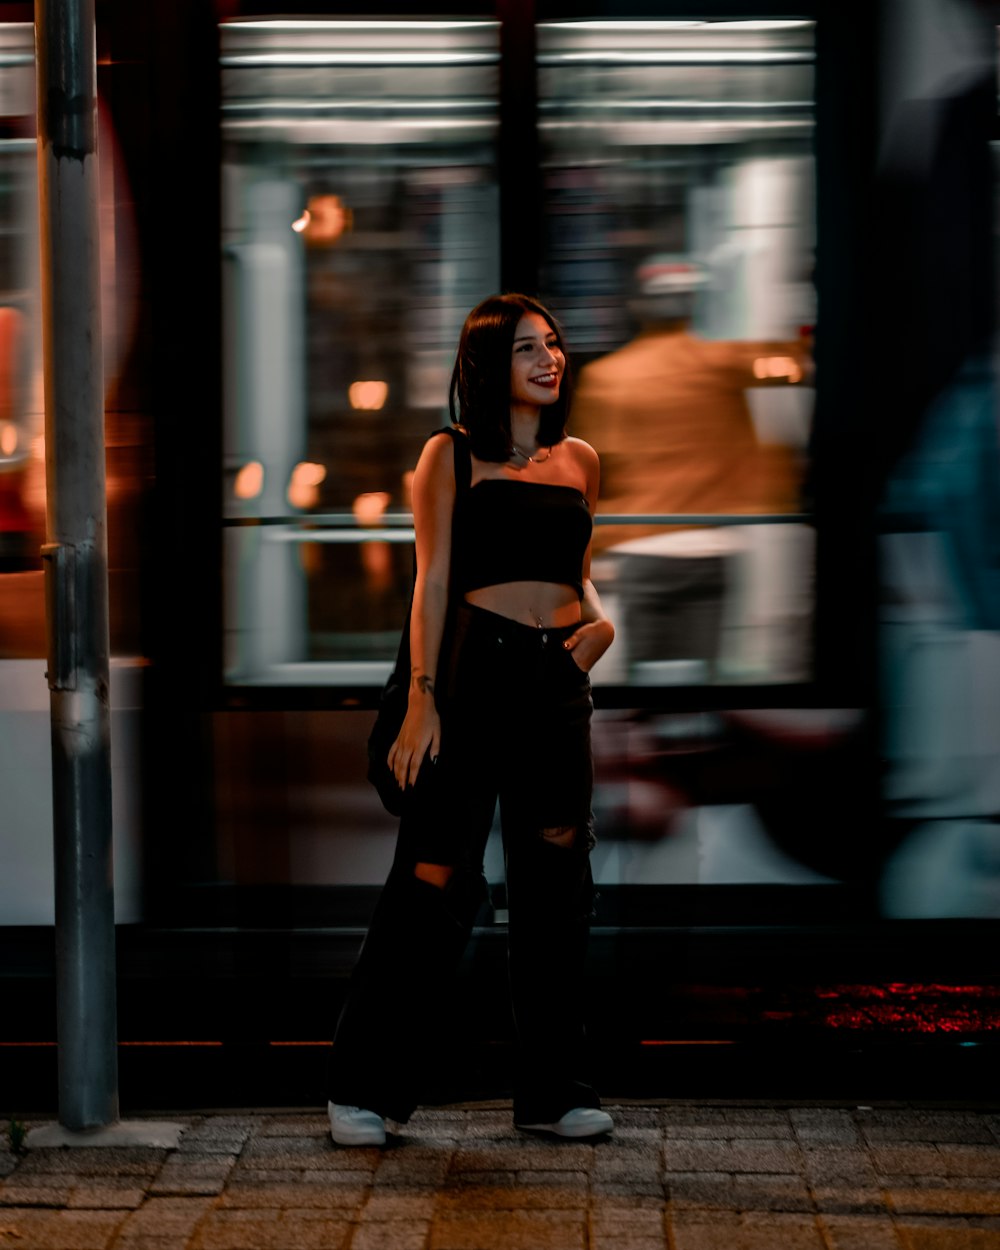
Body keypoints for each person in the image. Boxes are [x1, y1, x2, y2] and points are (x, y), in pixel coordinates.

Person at [327, 293, 616, 1146]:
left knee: (559, 885)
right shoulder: (447, 457)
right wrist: (422, 696)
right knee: (433, 877)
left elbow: (580, 568)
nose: (549, 358)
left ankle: (554, 1092)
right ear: (491, 363)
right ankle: (364, 1090)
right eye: (528, 347)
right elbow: (431, 580)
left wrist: (599, 631)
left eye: (555, 344)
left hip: (559, 678)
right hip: (473, 674)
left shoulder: (582, 460)